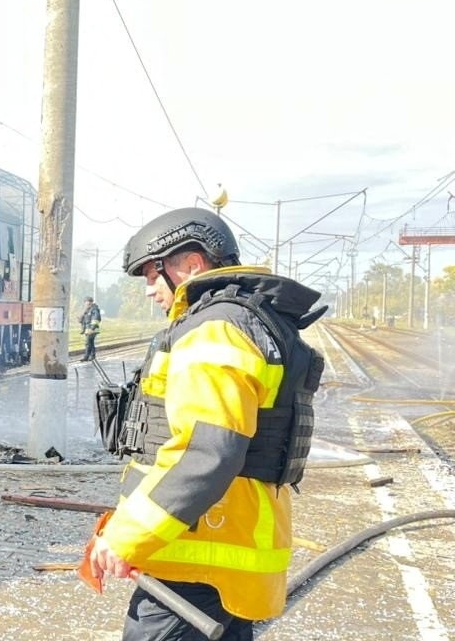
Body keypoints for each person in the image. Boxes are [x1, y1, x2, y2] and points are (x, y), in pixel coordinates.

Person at [83, 208, 324, 640]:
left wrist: (127, 537)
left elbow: (207, 453)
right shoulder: (248, 320)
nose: (149, 290)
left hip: (198, 558)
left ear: (191, 264)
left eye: (152, 276)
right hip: (225, 550)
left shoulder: (214, 331)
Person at [79, 296, 101, 361]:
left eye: (88, 302)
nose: (87, 303)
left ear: (91, 302)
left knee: (88, 343)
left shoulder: (94, 309)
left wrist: (92, 328)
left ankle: (87, 357)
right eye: (86, 302)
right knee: (90, 343)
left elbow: (96, 319)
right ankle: (92, 356)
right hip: (88, 329)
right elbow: (84, 320)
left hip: (92, 330)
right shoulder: (87, 310)